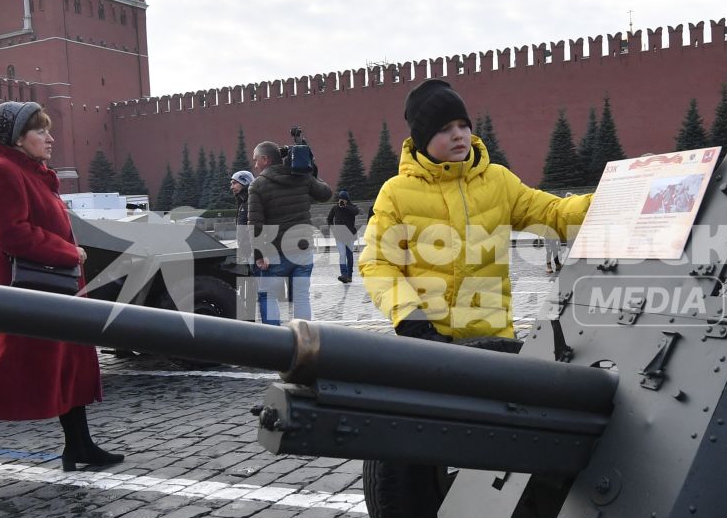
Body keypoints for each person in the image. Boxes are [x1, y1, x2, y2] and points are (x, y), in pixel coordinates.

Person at [0, 100, 122, 495]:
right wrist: (69, 252)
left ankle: (79, 444)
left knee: (70, 360)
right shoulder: (1, 172)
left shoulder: (27, 171)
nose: (50, 138)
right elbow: (11, 234)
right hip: (20, 294)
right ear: (17, 138)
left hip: (49, 288)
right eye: (40, 131)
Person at [362, 78, 591, 343]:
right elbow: (378, 263)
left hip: (495, 338)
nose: (458, 134)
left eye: (463, 125)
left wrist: (612, 199)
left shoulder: (498, 180)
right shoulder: (396, 193)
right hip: (431, 342)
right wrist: (410, 318)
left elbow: (555, 214)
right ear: (423, 139)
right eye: (444, 129)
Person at [247, 139, 332, 324]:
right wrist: (311, 169)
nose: (254, 164)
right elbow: (325, 194)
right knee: (302, 297)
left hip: (275, 252)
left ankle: (274, 341)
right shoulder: (302, 177)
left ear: (265, 159)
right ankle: (304, 340)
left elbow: (255, 224)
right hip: (303, 250)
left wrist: (259, 255)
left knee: (267, 296)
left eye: (256, 160)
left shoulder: (258, 185)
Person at [228, 169, 266, 322]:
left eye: (234, 182)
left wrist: (255, 252)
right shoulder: (243, 201)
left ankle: (257, 325)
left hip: (254, 254)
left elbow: (256, 228)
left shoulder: (251, 201)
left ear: (244, 182)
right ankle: (249, 322)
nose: (232, 186)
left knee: (259, 291)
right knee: (249, 290)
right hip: (247, 254)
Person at [327, 190, 361, 284]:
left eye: (343, 199)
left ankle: (349, 275)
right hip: (339, 235)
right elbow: (329, 218)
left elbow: (356, 212)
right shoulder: (335, 208)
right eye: (340, 199)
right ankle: (344, 275)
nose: (341, 201)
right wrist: (333, 229)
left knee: (349, 255)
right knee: (342, 254)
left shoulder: (351, 207)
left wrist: (346, 206)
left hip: (350, 235)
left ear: (347, 200)